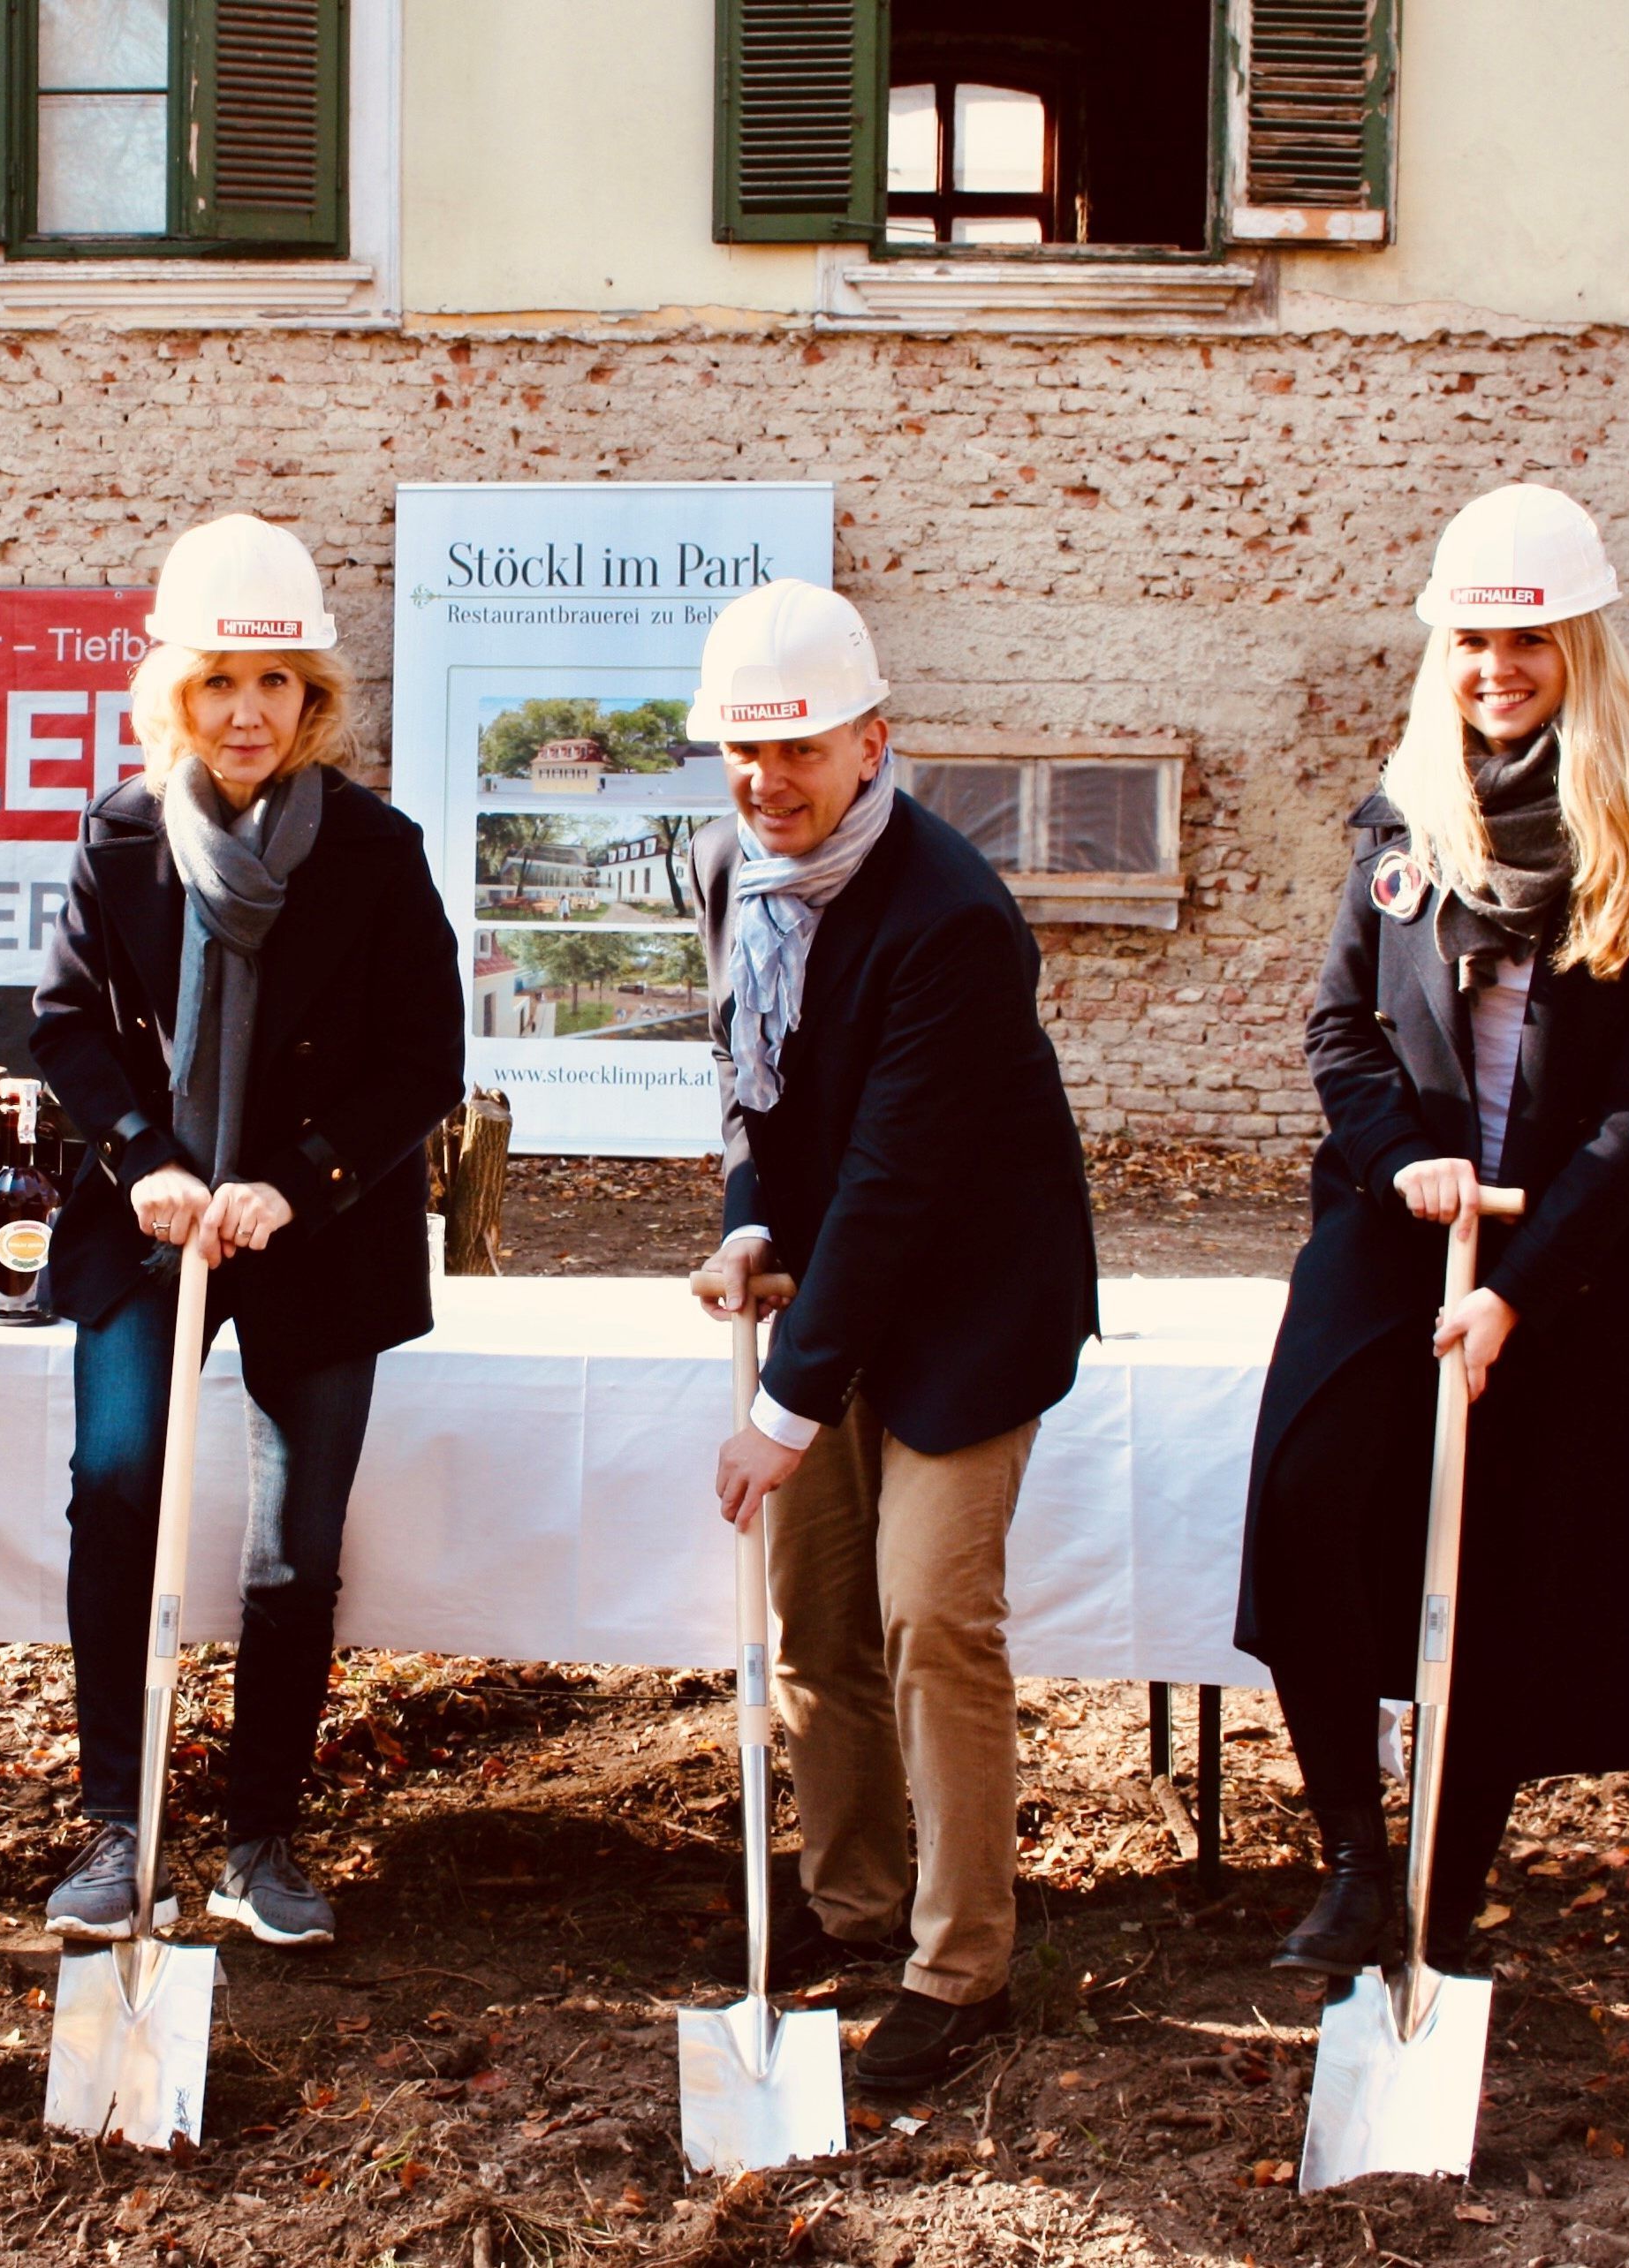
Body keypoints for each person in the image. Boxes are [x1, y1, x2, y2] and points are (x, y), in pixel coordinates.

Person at [1239, 482, 1629, 1977]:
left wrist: (1519, 1285)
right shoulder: (1404, 819)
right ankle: (1351, 1862)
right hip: (1394, 1231)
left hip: (1561, 1263)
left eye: (1527, 642)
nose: (1496, 669)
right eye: (1472, 642)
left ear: (1579, 647)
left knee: (1509, 1562)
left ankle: (1447, 1893)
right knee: (1315, 1505)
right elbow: (1338, 1031)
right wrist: (1405, 1168)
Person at [32, 514, 465, 1947]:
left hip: (319, 1233)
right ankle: (115, 1826)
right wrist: (145, 1157)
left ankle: (261, 1840)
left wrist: (305, 1175)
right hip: (152, 1222)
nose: (243, 713)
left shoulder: (377, 853)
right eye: (217, 682)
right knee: (115, 1492)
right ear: (175, 694)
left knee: (295, 1542)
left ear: (312, 702)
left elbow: (424, 1062)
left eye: (273, 684)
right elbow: (65, 1030)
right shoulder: (119, 839)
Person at [691, 578, 1099, 2089]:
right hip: (826, 1282)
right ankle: (850, 1901)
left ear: (874, 742)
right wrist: (744, 1214)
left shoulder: (952, 920)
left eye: (797, 747)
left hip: (970, 1302)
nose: (766, 779)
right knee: (816, 1618)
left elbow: (894, 1185)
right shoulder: (731, 865)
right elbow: (743, 1067)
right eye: (742, 748)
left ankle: (961, 1964)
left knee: (930, 1614)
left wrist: (784, 1415)